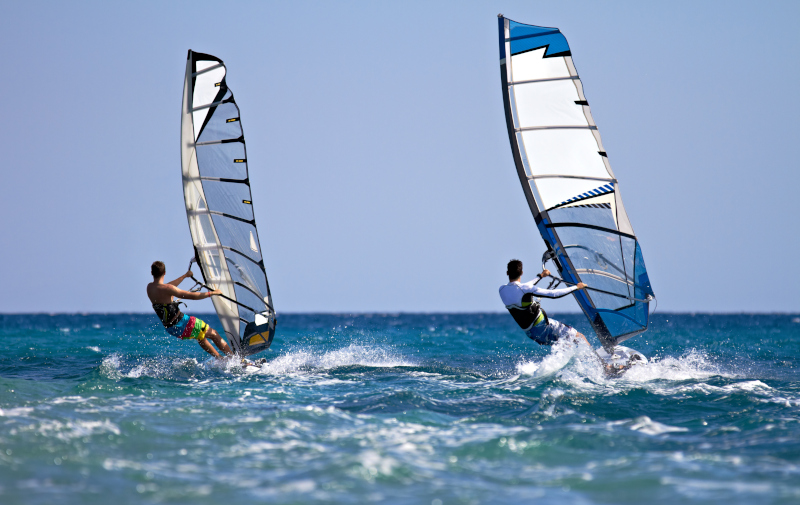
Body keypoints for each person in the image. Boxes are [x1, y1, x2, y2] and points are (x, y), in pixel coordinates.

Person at [147, 260, 234, 360]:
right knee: (214, 334)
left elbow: (167, 287)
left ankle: (220, 359)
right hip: (183, 324)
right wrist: (212, 293)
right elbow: (192, 296)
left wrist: (184, 276)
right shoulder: (167, 289)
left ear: (152, 273)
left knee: (200, 336)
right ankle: (235, 359)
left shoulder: (150, 288)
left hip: (171, 329)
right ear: (164, 273)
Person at [499, 259, 592, 347]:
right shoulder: (524, 289)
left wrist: (540, 276)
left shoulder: (502, 290)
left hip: (532, 334)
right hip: (542, 327)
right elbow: (554, 294)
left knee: (564, 345)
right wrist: (576, 287)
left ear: (507, 273)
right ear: (522, 273)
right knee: (579, 337)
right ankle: (602, 362)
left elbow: (520, 288)